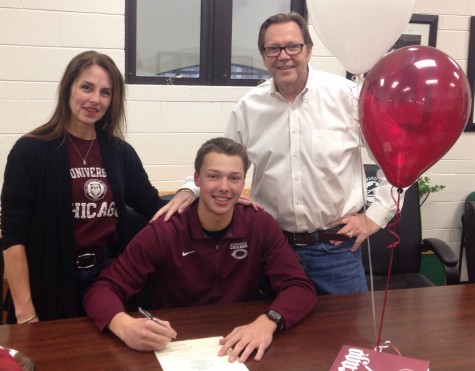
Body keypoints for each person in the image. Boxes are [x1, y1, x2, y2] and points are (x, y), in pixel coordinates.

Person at [156, 12, 401, 295]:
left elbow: (397, 160)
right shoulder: (249, 108)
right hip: (270, 249)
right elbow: (222, 162)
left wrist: (375, 216)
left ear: (309, 50)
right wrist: (189, 190)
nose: (283, 56)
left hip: (336, 252)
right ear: (263, 57)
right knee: (274, 332)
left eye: (292, 46)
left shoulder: (348, 97)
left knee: (344, 335)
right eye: (273, 49)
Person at [83, 137, 316, 363]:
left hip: (238, 342)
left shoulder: (260, 224)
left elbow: (299, 287)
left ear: (243, 181)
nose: (224, 188)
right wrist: (125, 326)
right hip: (173, 345)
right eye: (213, 176)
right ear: (196, 179)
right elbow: (101, 290)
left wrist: (267, 322)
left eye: (234, 178)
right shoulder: (164, 230)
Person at [0, 51, 168, 324]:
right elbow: (12, 237)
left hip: (108, 278)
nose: (95, 100)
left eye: (105, 92)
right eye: (86, 87)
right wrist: (25, 310)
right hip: (50, 281)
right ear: (69, 88)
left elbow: (153, 206)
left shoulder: (119, 152)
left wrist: (201, 197)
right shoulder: (30, 150)